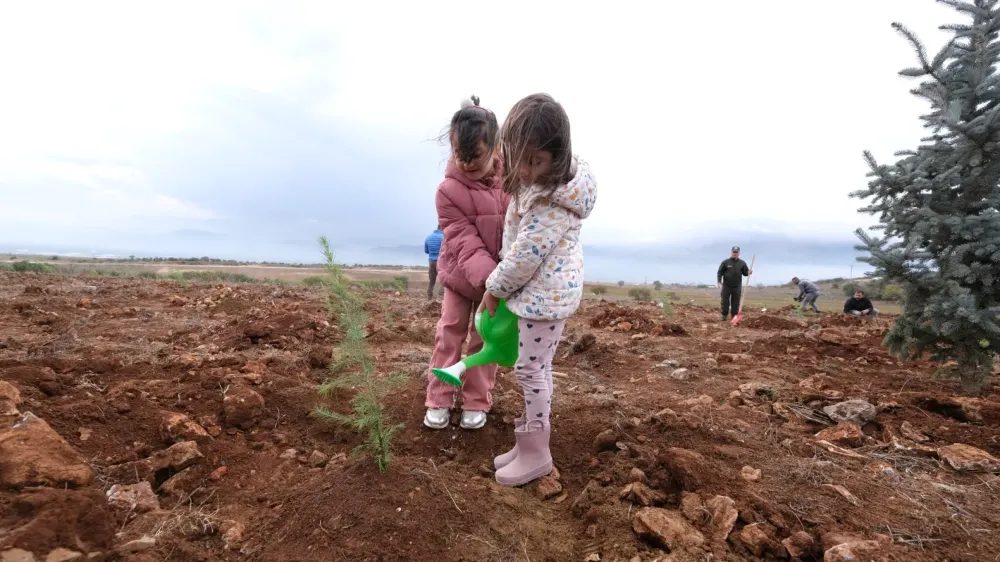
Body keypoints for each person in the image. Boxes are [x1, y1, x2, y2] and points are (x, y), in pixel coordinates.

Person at [481, 93, 597, 486]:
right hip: (543, 294)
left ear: (557, 157)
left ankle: (536, 453)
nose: (527, 170)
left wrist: (495, 287)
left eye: (537, 161)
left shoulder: (552, 201)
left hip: (544, 298)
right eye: (521, 159)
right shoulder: (541, 187)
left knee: (530, 369)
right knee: (537, 367)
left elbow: (525, 255)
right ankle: (528, 443)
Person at [424, 96, 511, 431]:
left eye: (475, 156)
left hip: (499, 280)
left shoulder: (513, 183)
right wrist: (492, 282)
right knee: (450, 332)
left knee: (486, 340)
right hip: (461, 277)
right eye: (459, 154)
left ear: (495, 147)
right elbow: (462, 239)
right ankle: (439, 398)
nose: (465, 163)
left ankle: (476, 401)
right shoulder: (447, 191)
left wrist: (503, 281)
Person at [716, 246, 753, 321]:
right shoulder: (725, 262)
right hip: (726, 286)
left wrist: (749, 272)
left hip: (737, 286)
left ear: (739, 253)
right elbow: (720, 272)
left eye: (736, 252)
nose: (735, 253)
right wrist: (719, 281)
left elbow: (745, 273)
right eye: (733, 252)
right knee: (725, 302)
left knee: (735, 303)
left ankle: (734, 317)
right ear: (731, 252)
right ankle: (724, 315)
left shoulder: (742, 263)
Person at [424, 227, 443, 300]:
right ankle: (441, 296)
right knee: (444, 281)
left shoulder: (428, 238)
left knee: (432, 281)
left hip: (431, 261)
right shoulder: (444, 238)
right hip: (441, 261)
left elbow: (426, 251)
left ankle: (429, 297)